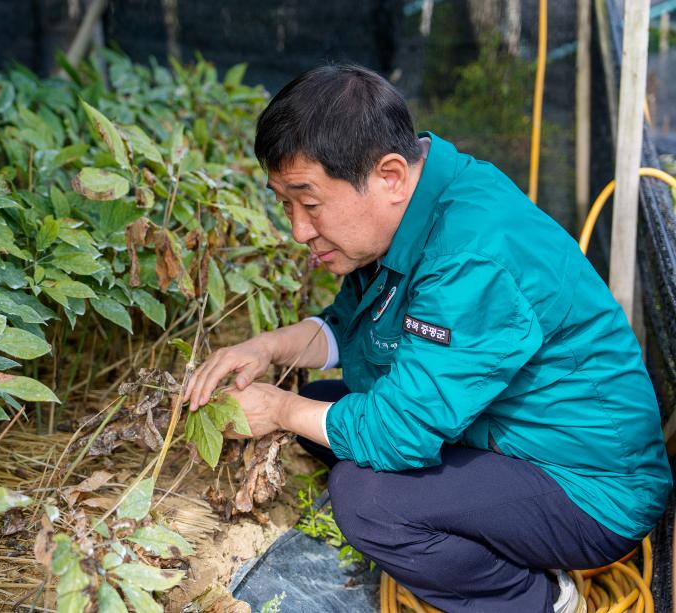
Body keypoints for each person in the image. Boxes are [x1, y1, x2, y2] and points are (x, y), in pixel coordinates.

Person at [183, 64, 672, 612]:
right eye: (286, 203)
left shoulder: (470, 255)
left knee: (366, 500)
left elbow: (399, 433)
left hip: (588, 488)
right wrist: (266, 348)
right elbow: (354, 322)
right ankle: (470, 545)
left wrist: (276, 408)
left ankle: (537, 600)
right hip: (506, 436)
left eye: (310, 202)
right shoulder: (411, 208)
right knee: (320, 413)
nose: (298, 229)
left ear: (389, 176)